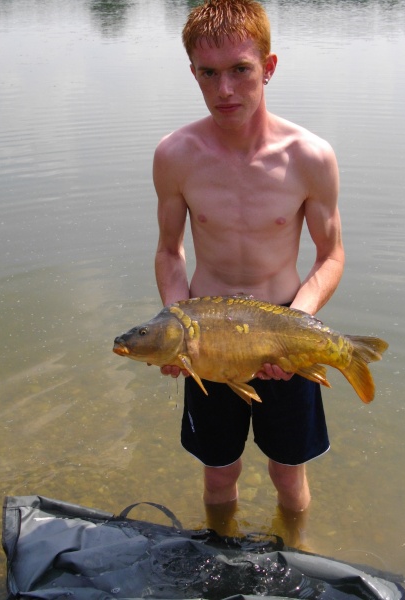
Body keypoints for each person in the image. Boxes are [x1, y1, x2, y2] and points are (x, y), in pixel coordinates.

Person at [152, 0, 344, 528]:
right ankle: (218, 556)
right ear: (192, 71)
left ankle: (298, 558)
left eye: (241, 70)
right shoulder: (175, 154)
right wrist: (175, 323)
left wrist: (296, 325)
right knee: (219, 472)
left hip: (286, 322)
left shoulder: (310, 156)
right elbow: (170, 251)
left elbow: (331, 255)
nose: (225, 90)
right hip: (205, 335)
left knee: (288, 471)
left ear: (270, 67)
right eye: (208, 74)